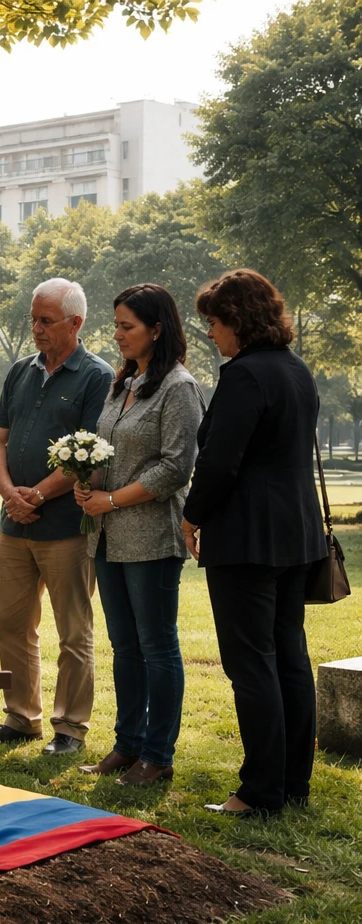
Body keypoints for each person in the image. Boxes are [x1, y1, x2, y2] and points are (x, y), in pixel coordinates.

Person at [181, 269, 326, 818]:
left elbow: (221, 460)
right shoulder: (297, 370)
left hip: (247, 536)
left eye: (215, 324)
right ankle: (292, 783)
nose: (212, 335)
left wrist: (192, 515)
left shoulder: (244, 376)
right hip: (297, 533)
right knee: (289, 655)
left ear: (238, 321)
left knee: (251, 664)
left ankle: (260, 790)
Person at [74, 284, 205, 786]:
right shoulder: (123, 381)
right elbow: (107, 448)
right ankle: (126, 746)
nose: (118, 335)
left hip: (150, 537)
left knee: (156, 646)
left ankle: (157, 754)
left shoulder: (179, 387)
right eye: (116, 325)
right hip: (105, 536)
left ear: (157, 328)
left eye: (127, 326)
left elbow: (176, 466)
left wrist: (112, 498)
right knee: (123, 645)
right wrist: (89, 485)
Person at [0, 278, 113, 754]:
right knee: (12, 625)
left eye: (46, 321)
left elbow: (92, 453)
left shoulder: (98, 377)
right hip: (13, 525)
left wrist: (34, 494)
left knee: (73, 631)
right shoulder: (20, 371)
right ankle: (21, 717)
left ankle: (70, 728)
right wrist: (9, 494)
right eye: (33, 319)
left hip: (66, 528)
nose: (36, 328)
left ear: (76, 323)